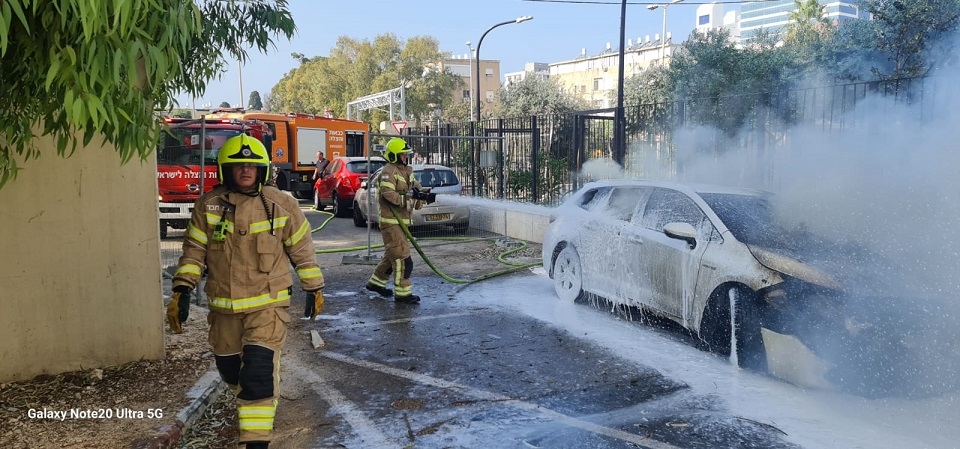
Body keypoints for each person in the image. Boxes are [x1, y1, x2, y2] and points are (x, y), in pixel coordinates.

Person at [165, 134, 325, 449]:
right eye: (238, 166)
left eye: (252, 165)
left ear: (262, 169)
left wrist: (313, 287)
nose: (245, 171)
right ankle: (255, 401)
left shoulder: (282, 204)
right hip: (224, 311)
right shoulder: (208, 205)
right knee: (230, 370)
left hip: (269, 306)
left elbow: (302, 250)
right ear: (227, 170)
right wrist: (182, 290)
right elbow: (194, 252)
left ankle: (255, 441)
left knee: (257, 374)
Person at [364, 137, 431, 304]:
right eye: (402, 155)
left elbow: (414, 185)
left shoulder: (406, 171)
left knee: (391, 256)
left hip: (401, 223)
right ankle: (403, 294)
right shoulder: (388, 172)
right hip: (391, 223)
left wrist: (422, 192)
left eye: (405, 154)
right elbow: (388, 195)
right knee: (403, 260)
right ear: (394, 155)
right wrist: (407, 201)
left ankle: (375, 284)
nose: (405, 157)